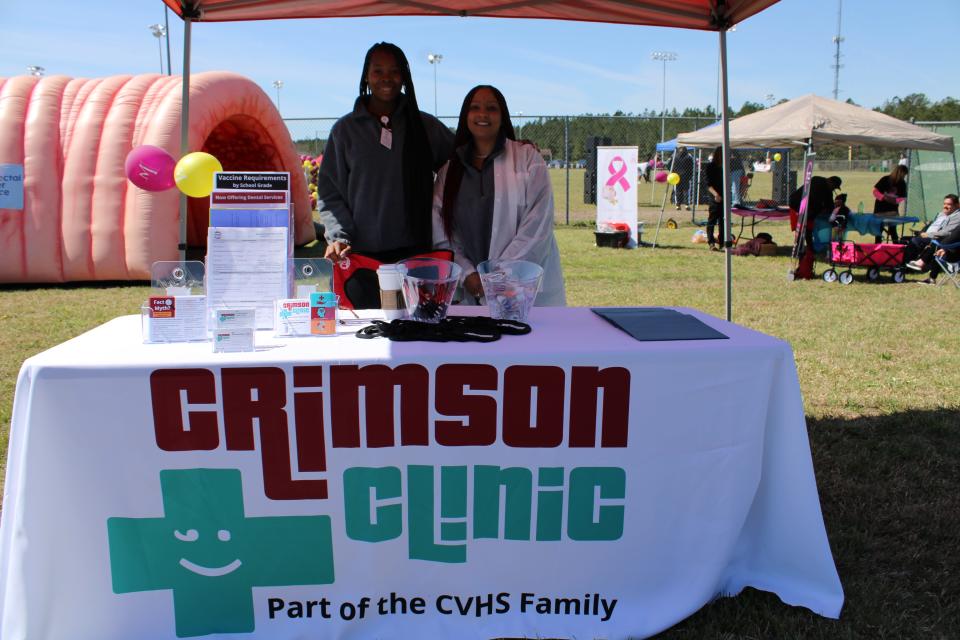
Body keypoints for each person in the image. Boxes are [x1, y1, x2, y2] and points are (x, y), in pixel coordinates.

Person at [317, 42, 455, 266]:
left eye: (394, 71)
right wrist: (339, 236)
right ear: (366, 77)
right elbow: (329, 193)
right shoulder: (345, 131)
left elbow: (462, 165)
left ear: (404, 77)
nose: (386, 78)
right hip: (360, 255)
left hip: (417, 254)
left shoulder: (425, 126)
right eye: (378, 71)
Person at [432, 85, 566, 306]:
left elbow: (537, 227)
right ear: (466, 116)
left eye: (491, 108)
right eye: (475, 107)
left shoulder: (528, 159)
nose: (483, 114)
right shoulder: (450, 171)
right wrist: (468, 275)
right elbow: (442, 232)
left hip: (521, 290)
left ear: (502, 115)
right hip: (471, 291)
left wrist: (499, 278)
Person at [904, 194, 960, 272]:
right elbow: (932, 225)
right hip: (930, 236)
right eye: (944, 204)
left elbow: (947, 232)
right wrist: (922, 232)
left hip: (939, 239)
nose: (945, 206)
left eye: (949, 204)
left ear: (957, 205)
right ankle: (902, 264)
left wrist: (928, 235)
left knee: (916, 241)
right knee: (905, 239)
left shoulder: (957, 217)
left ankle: (907, 268)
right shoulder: (942, 214)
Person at [872, 164, 908, 243]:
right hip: (880, 210)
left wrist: (895, 200)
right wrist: (883, 197)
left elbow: (902, 197)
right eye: (903, 174)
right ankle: (877, 249)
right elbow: (875, 191)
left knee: (893, 231)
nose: (904, 176)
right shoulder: (885, 179)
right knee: (879, 231)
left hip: (892, 211)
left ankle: (896, 249)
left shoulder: (902, 183)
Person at [705, 146, 726, 251]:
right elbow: (708, 185)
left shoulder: (725, 167)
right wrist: (716, 195)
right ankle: (711, 242)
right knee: (712, 220)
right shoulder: (710, 167)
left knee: (723, 221)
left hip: (724, 196)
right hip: (714, 197)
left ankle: (722, 242)